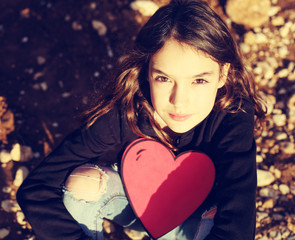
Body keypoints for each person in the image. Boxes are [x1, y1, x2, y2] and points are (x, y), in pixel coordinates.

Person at [17, 0, 266, 239]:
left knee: (218, 214)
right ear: (147, 72)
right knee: (83, 183)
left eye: (199, 80)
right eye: (164, 78)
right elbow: (37, 190)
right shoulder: (127, 113)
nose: (179, 101)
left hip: (203, 227)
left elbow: (238, 227)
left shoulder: (233, 115)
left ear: (223, 74)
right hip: (144, 212)